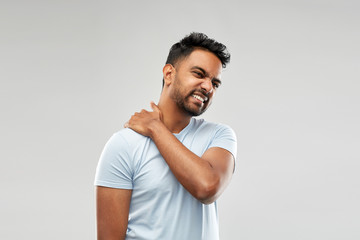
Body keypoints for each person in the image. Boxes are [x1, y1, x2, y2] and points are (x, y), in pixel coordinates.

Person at [95, 32, 237, 240]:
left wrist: (155, 128)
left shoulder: (219, 136)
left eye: (214, 83)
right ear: (169, 74)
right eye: (199, 74)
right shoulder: (123, 144)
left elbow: (207, 187)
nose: (208, 87)